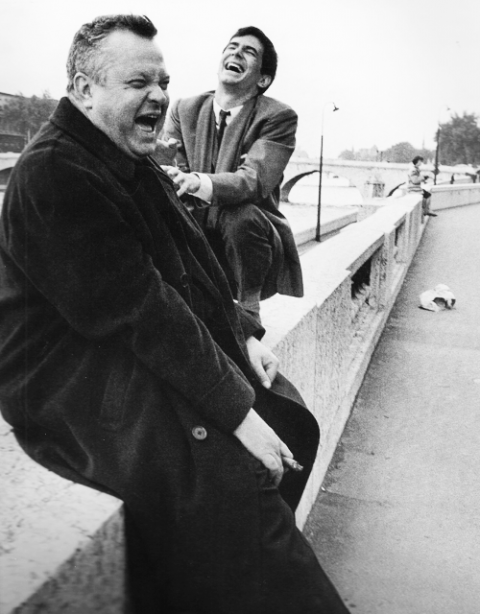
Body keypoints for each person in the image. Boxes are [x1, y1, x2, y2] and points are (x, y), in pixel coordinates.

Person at [0, 14, 350, 614]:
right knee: (225, 475)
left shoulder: (122, 159)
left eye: (163, 81)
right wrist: (235, 412)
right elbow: (141, 308)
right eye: (139, 82)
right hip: (65, 381)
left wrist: (241, 335)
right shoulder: (55, 172)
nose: (160, 96)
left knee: (283, 423)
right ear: (84, 89)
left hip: (112, 352)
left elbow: (190, 264)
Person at [156, 26, 303, 323]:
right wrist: (166, 166)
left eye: (249, 51)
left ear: (263, 79)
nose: (236, 52)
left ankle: (249, 310)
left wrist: (197, 181)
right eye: (232, 47)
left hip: (249, 243)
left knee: (240, 213)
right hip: (196, 231)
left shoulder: (278, 117)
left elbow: (254, 180)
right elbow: (174, 171)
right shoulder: (184, 108)